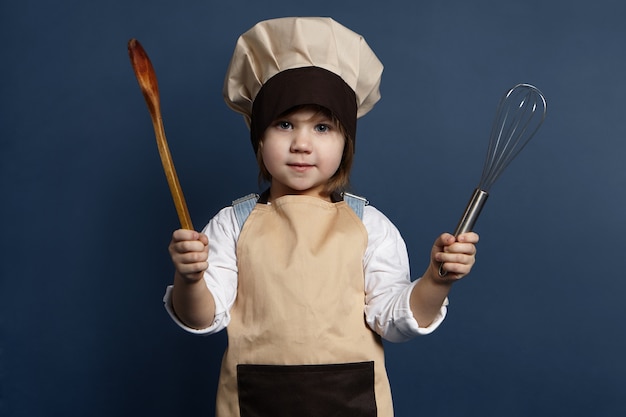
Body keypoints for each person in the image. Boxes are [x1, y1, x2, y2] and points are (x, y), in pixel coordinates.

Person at [164, 17, 479, 417]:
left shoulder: (369, 226)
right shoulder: (232, 224)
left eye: (322, 126)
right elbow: (201, 318)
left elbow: (395, 323)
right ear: (259, 137)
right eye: (284, 124)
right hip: (256, 402)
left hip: (353, 401)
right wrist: (189, 277)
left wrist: (437, 280)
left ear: (346, 140)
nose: (301, 143)